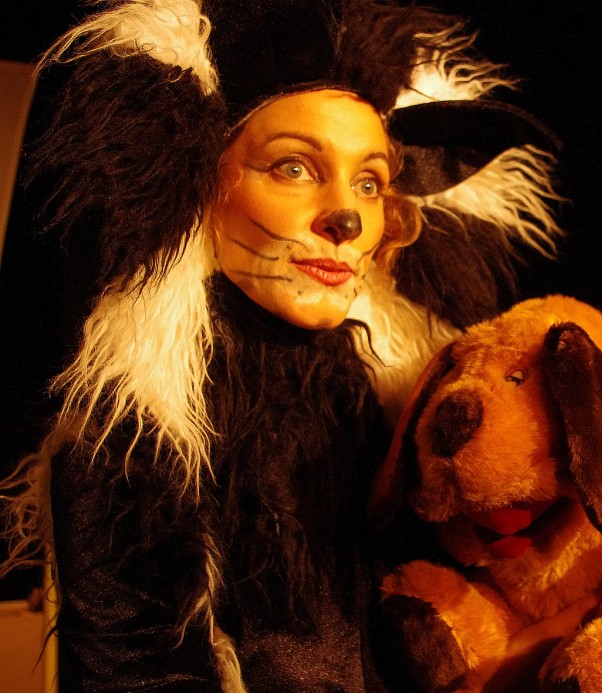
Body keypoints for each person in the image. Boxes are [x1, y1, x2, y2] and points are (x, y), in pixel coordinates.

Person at [0, 0, 563, 690]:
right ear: (201, 180)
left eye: (369, 182)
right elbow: (137, 662)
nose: (345, 217)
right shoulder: (144, 411)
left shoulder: (394, 400)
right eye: (294, 167)